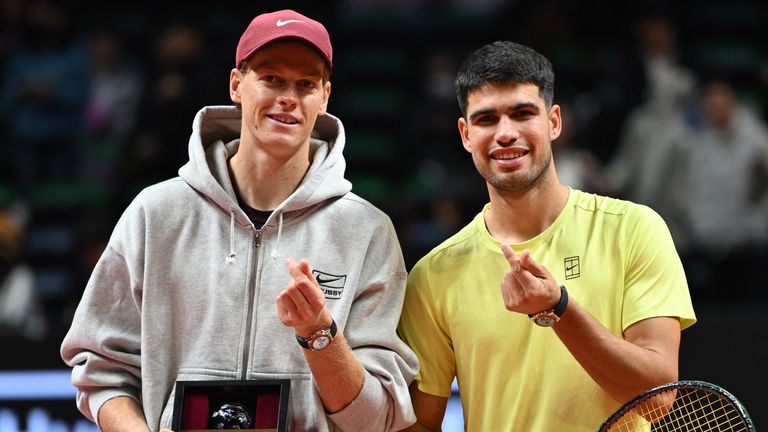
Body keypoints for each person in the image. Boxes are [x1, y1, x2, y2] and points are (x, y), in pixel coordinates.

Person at [60, 9, 418, 432]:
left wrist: (320, 334)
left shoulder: (366, 231)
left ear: (324, 98)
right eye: (271, 78)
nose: (288, 96)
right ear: (236, 84)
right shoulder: (155, 214)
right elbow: (102, 372)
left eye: (305, 84)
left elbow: (376, 419)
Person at [397, 41, 696, 431]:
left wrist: (559, 310)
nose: (506, 133)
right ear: (466, 134)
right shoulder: (434, 274)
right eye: (486, 119)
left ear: (554, 122)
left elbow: (658, 398)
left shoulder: (634, 229)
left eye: (522, 114)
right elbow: (420, 424)